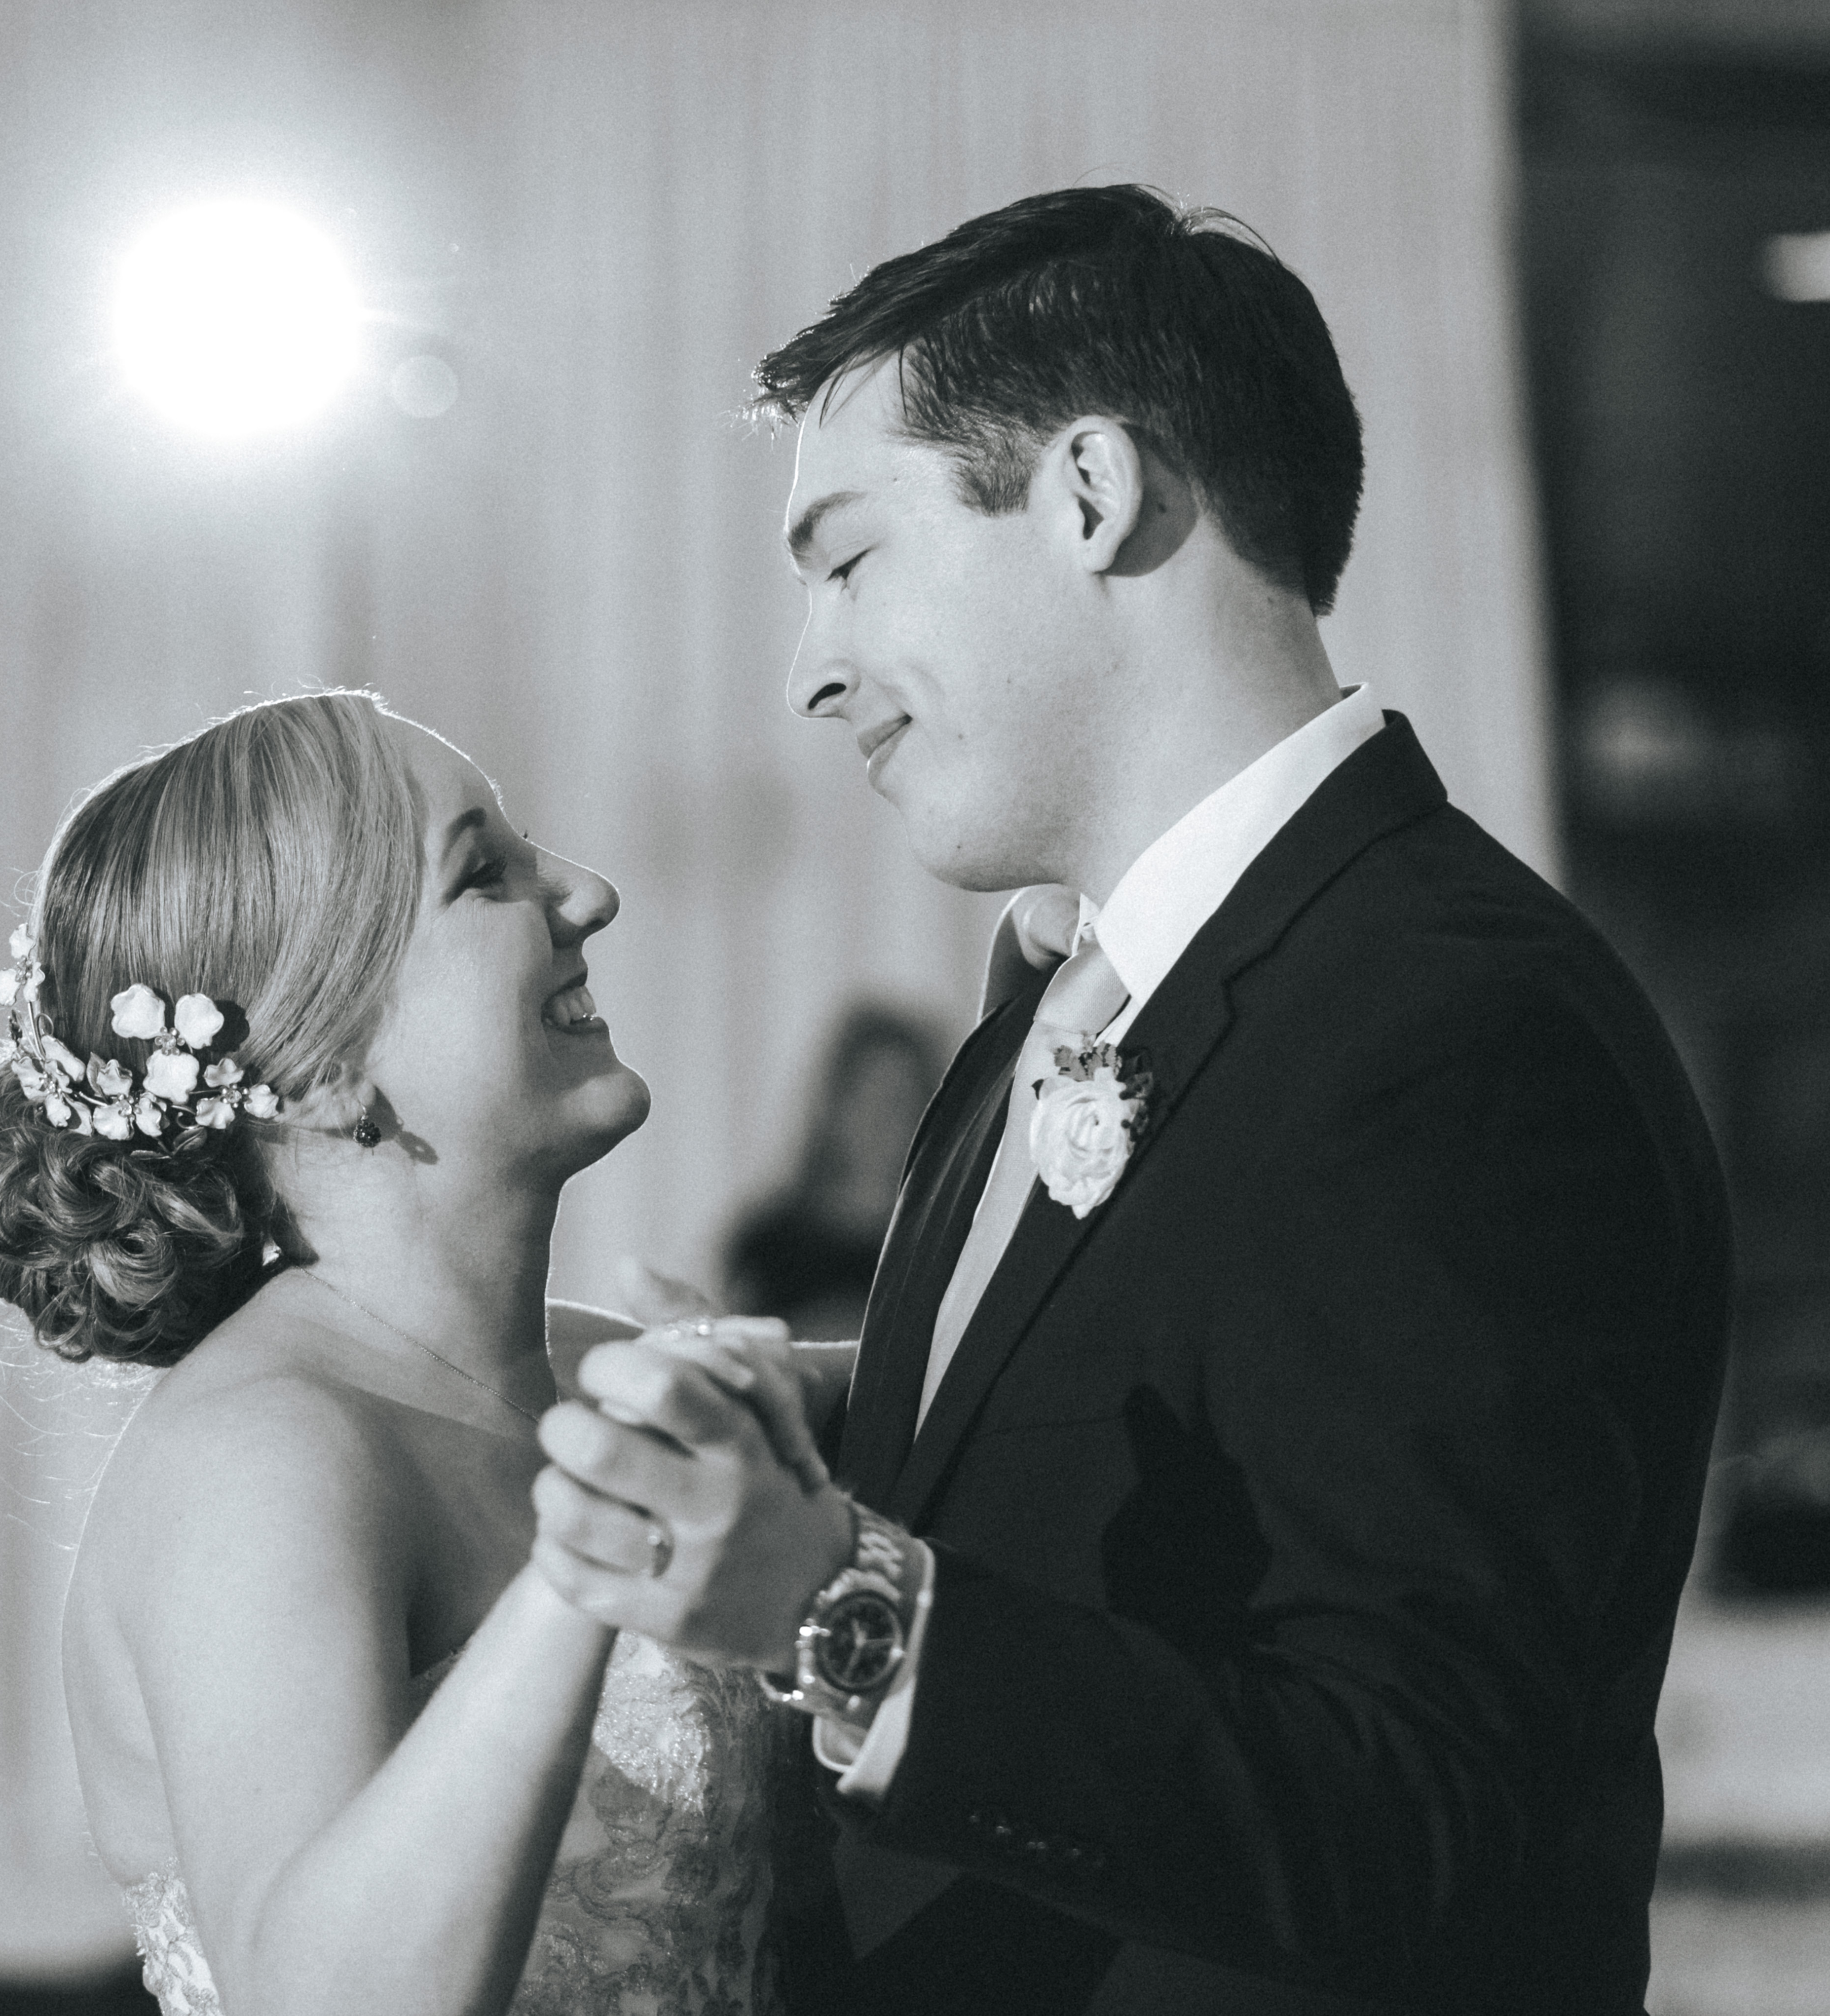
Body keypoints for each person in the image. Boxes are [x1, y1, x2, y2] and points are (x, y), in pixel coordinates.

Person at [529, 185, 1730, 2013]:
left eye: (850, 560)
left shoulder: (1454, 1029)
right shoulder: (1070, 997)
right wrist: (792, 1410)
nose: (811, 671)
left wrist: (830, 1601)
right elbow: (1125, 1425)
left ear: (1092, 495)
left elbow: (1421, 1813)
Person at [0, 690, 843, 2016]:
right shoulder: (258, 1458)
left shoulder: (602, 1373)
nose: (588, 895)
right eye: (484, 873)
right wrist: (588, 1552)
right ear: (321, 1072)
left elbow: (987, 1391)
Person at [722, 1004, 952, 1343]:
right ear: (834, 1106)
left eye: (899, 1099)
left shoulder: (946, 1240)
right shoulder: (768, 1240)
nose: (881, 1119)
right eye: (868, 1096)